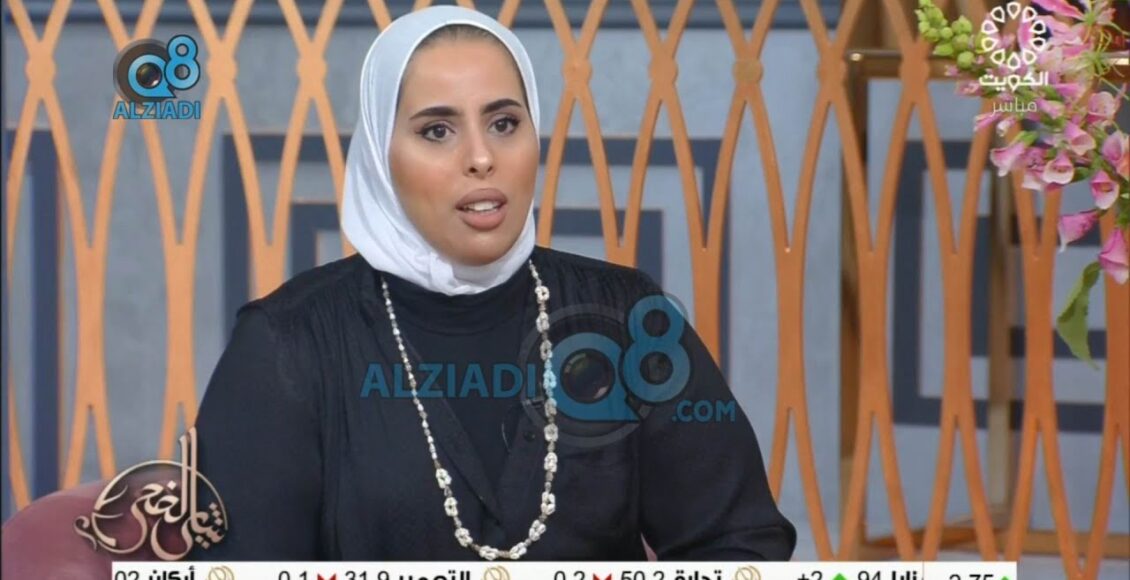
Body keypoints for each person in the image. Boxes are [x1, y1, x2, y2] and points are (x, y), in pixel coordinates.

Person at [191, 5, 795, 561]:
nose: (482, 157)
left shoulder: (626, 317)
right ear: (379, 154)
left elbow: (740, 543)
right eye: (437, 130)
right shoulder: (288, 344)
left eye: (505, 122)